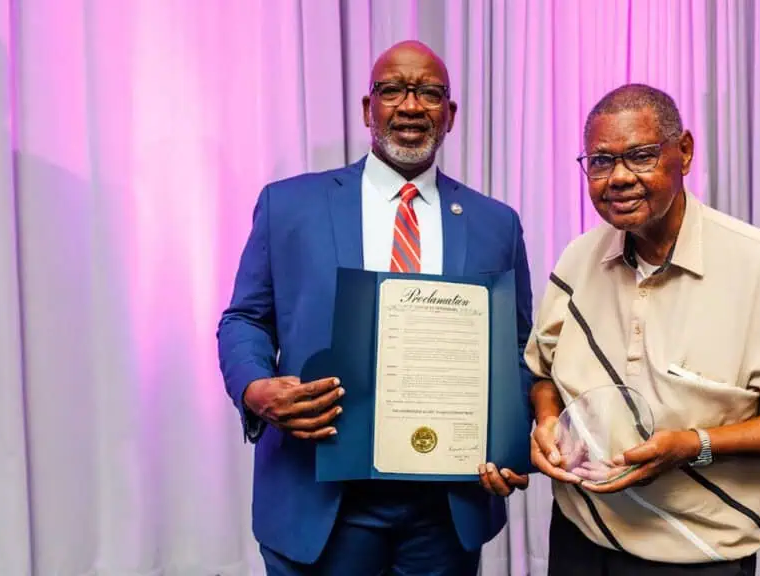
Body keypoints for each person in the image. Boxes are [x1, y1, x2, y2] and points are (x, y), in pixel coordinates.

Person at [217, 40, 532, 575]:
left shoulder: (494, 222)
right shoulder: (288, 205)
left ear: (450, 114)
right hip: (318, 493)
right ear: (369, 108)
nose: (411, 106)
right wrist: (255, 388)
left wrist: (508, 438)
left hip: (446, 505)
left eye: (429, 93)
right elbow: (245, 319)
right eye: (393, 90)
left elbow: (517, 347)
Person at [525, 84, 760, 575]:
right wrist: (547, 420)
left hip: (697, 557)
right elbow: (544, 372)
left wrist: (694, 446)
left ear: (685, 152)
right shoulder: (578, 258)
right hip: (580, 539)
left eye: (640, 156)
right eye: (600, 161)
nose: (618, 178)